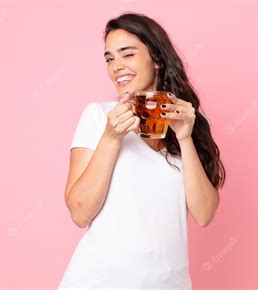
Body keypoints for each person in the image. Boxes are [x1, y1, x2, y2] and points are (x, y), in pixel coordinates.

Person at [58, 13, 226, 289]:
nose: (116, 67)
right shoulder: (99, 116)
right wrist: (111, 138)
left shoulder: (188, 123)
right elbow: (80, 212)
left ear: (157, 58)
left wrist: (185, 139)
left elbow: (205, 214)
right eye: (110, 58)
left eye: (127, 54)